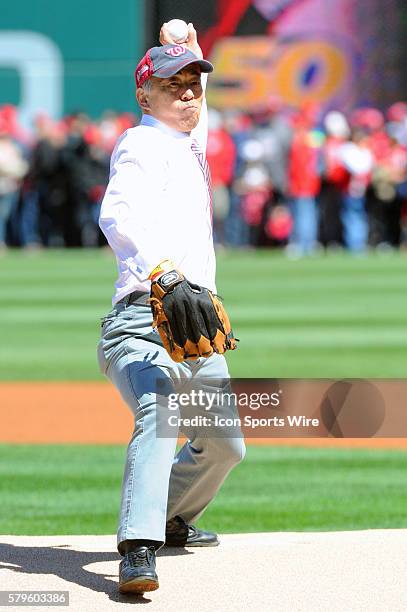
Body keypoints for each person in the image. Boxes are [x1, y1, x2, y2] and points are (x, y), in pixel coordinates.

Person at [97, 24, 245, 595]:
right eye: (172, 84)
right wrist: (161, 269)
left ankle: (171, 515)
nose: (187, 92)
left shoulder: (188, 140)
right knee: (159, 414)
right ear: (145, 95)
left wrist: (189, 42)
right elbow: (118, 216)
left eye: (194, 84)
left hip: (197, 320)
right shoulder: (142, 143)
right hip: (142, 316)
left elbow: (197, 110)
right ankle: (139, 546)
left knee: (225, 443)